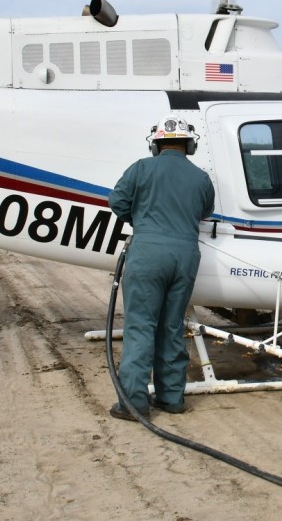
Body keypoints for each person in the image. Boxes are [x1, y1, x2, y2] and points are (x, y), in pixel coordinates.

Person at [107, 114, 215, 421]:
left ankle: (134, 403)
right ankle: (171, 398)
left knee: (141, 325)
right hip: (185, 254)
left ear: (156, 144)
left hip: (148, 252)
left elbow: (117, 202)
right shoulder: (201, 178)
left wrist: (143, 220)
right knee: (172, 326)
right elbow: (204, 211)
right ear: (189, 145)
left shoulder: (141, 168)